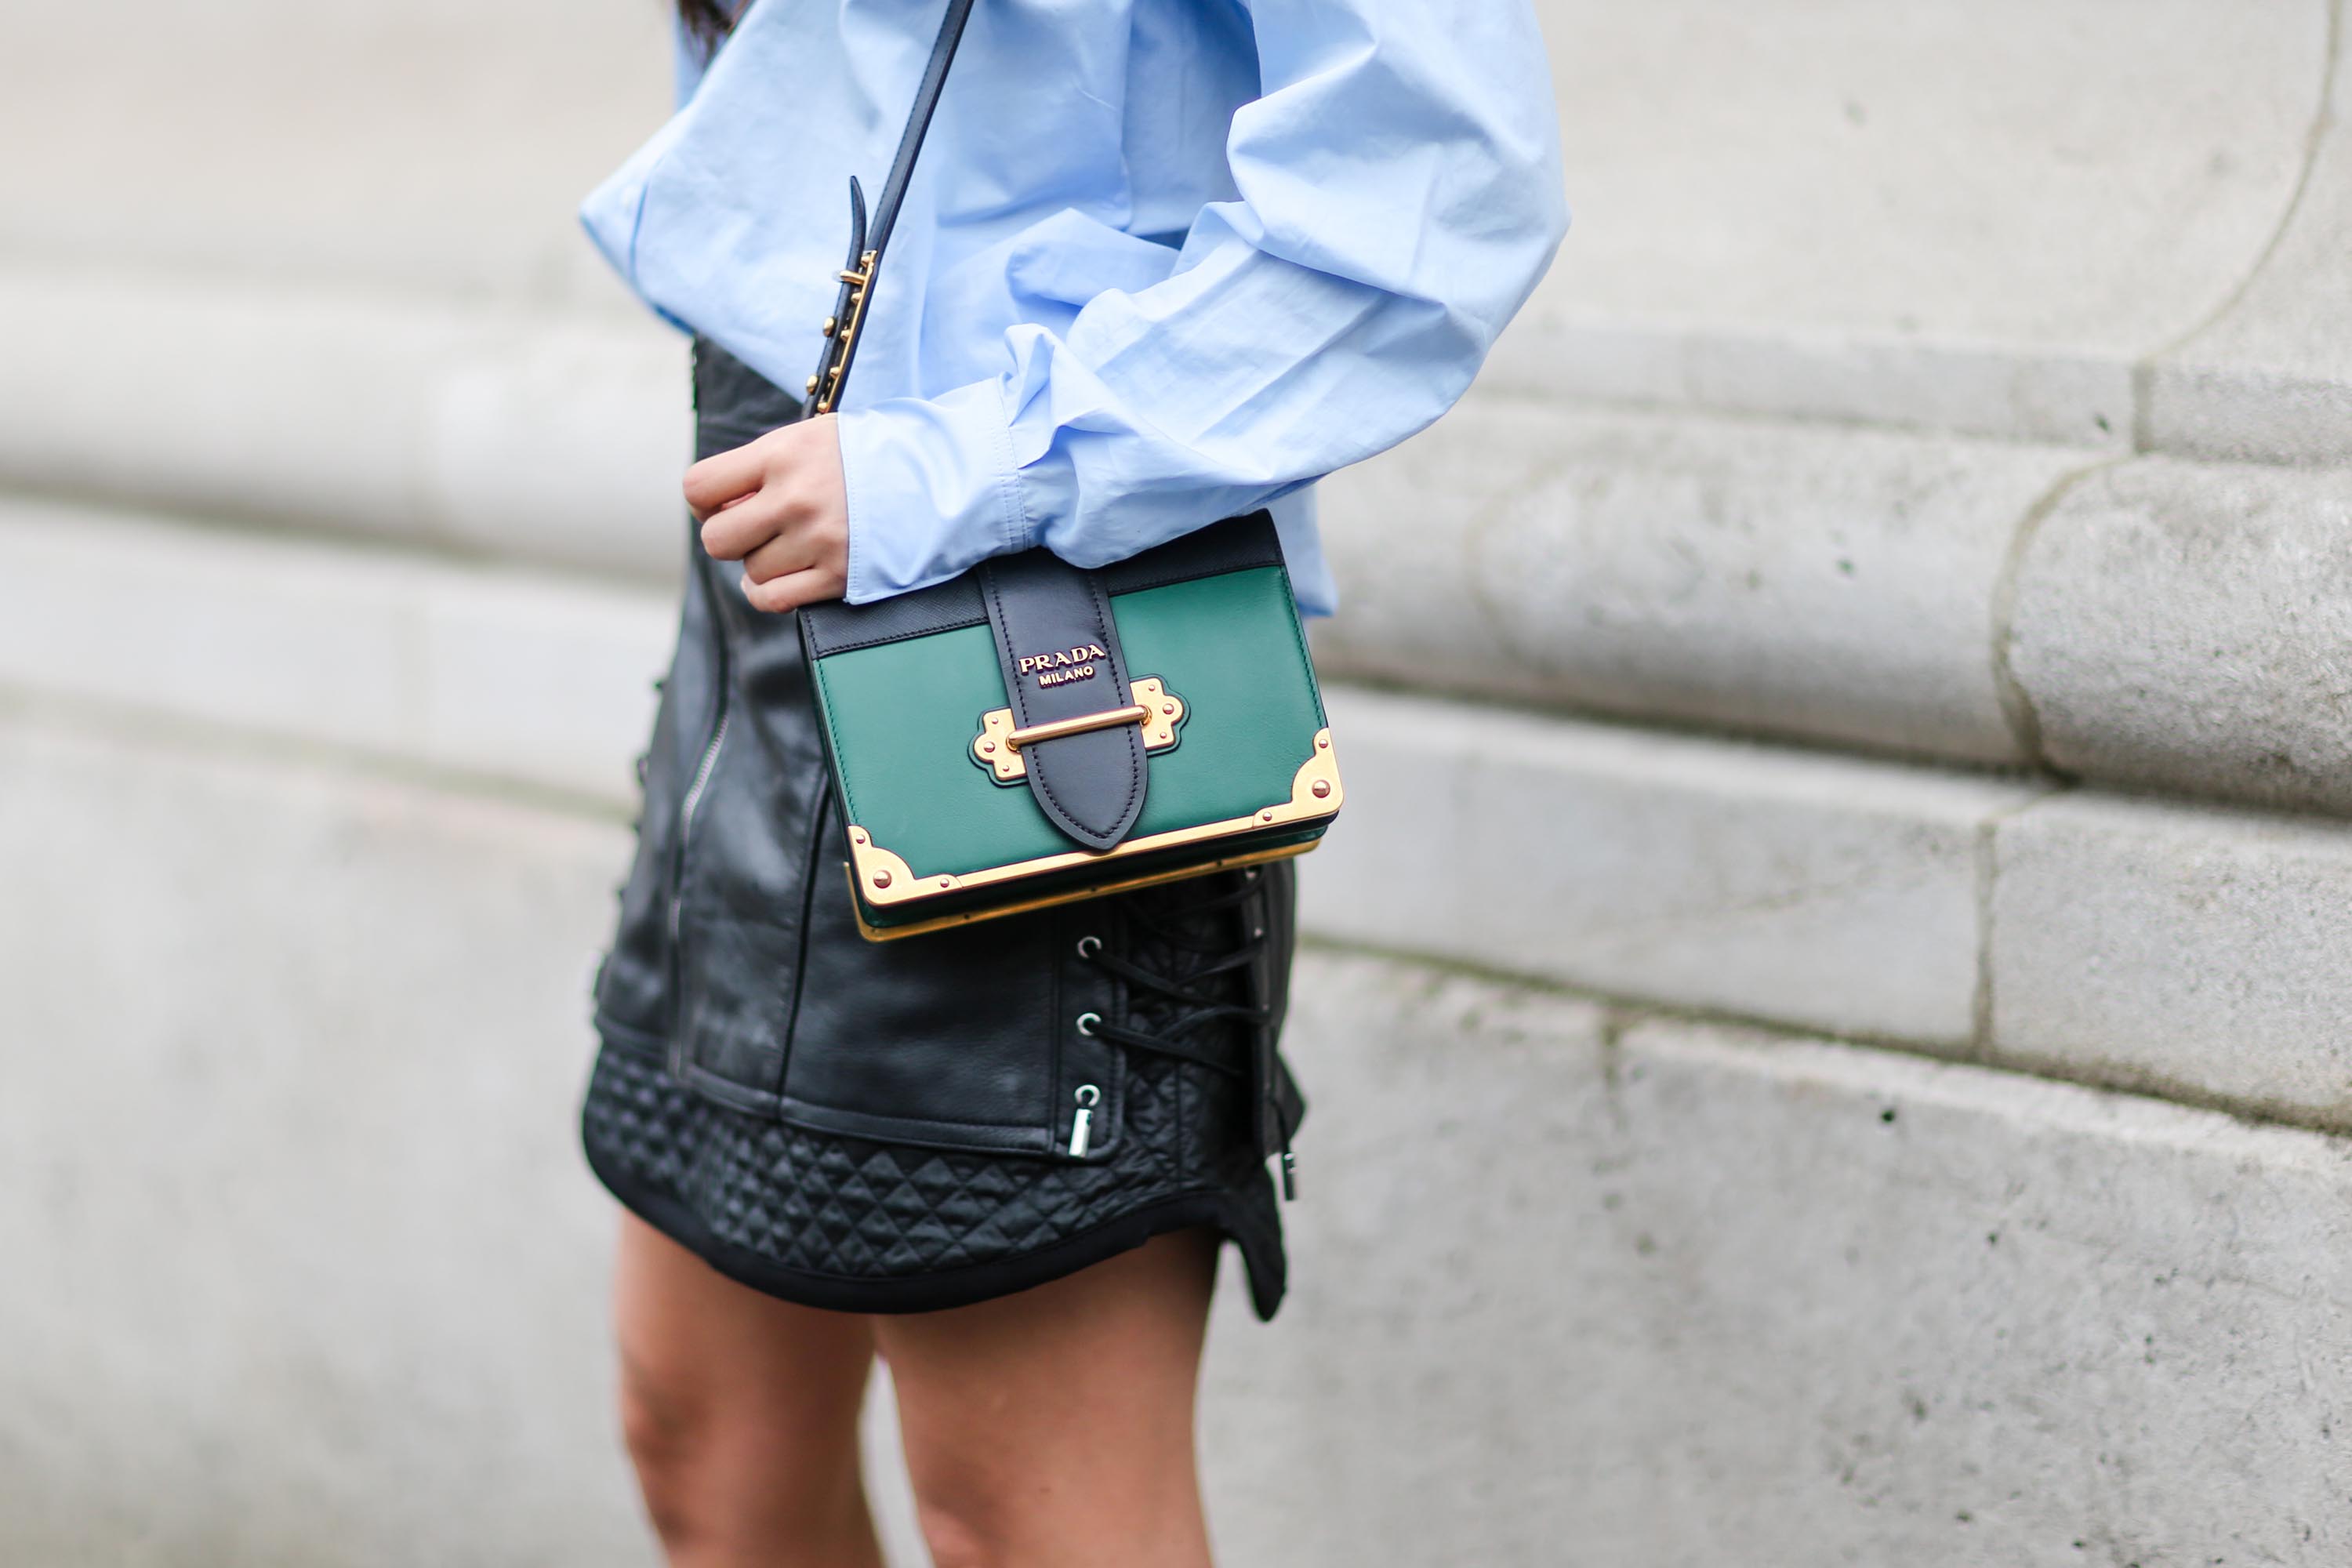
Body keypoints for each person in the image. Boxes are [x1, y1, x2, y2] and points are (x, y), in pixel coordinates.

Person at [574, 0, 1565, 1561]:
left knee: (1025, 1523)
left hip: (1036, 644)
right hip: (769, 592)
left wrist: (966, 465)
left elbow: (1438, 178)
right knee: (705, 1448)